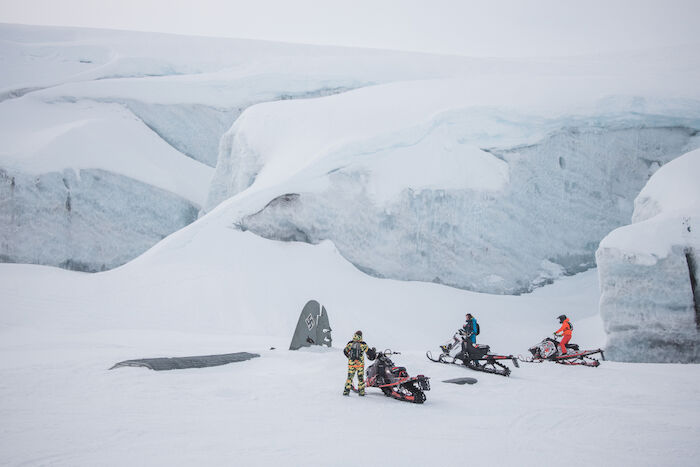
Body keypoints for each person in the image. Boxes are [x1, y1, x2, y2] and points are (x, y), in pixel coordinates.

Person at [343, 330, 373, 396]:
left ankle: (346, 392)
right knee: (360, 379)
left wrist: (350, 358)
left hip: (351, 365)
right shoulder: (363, 344)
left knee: (349, 378)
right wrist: (373, 352)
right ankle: (361, 392)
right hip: (360, 365)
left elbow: (345, 351)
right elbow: (369, 353)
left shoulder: (350, 343)